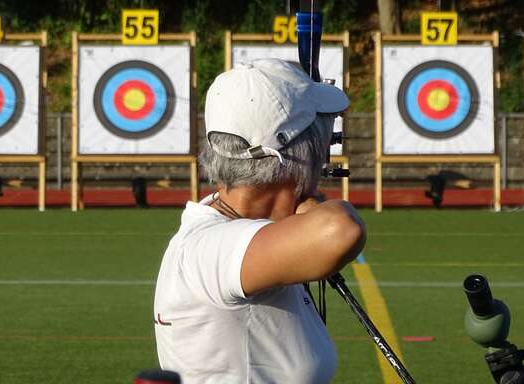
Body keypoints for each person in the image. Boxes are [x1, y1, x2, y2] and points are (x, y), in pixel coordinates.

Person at [153, 58, 366, 384]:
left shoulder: (240, 226)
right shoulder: (206, 249)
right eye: (321, 142)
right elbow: (340, 230)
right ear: (297, 155)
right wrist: (312, 209)